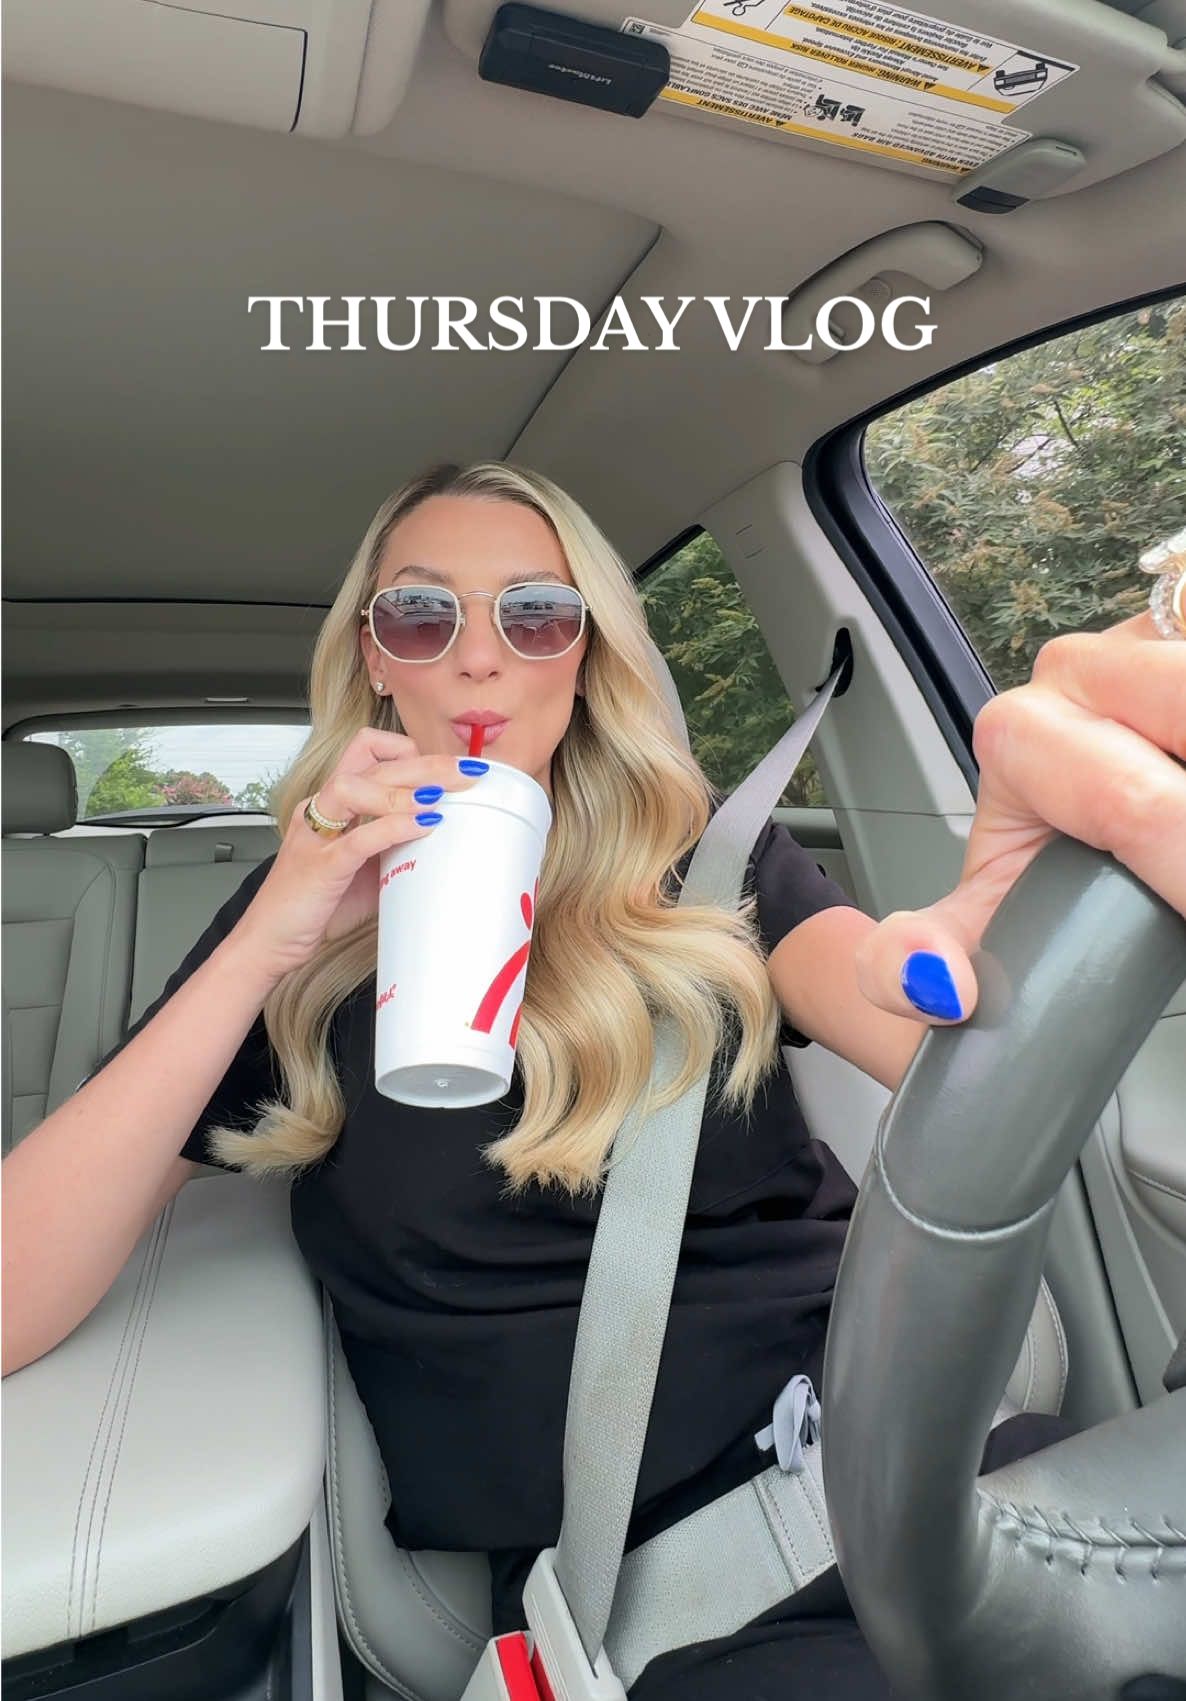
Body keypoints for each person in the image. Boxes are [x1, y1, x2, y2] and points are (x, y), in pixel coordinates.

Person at [4, 462, 1183, 1698]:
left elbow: (918, 1028)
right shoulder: (294, 923)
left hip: (935, 1469)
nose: (479, 657)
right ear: (375, 659)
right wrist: (273, 937)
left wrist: (1021, 943)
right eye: (422, 614)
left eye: (535, 614)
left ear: (584, 656)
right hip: (664, 1590)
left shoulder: (705, 856)